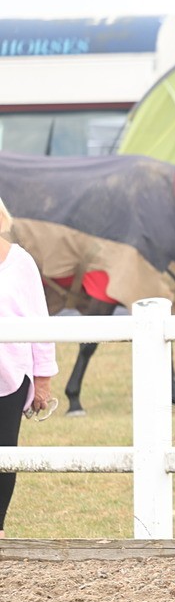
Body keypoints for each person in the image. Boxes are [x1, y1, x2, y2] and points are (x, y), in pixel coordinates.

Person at [0, 195, 58, 538]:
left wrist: (43, 379)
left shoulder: (21, 263)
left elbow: (40, 320)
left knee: (4, 452)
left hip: (10, 375)